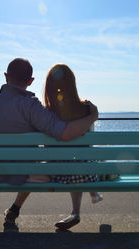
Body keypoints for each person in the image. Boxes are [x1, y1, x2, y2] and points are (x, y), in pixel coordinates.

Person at [0, 58, 98, 227]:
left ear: (5, 77)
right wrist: (92, 116)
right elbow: (64, 133)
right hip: (19, 174)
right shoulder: (31, 106)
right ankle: (15, 209)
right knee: (34, 164)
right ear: (31, 81)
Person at [43, 64, 103, 230]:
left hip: (55, 173)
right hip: (84, 173)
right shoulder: (87, 109)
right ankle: (78, 208)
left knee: (70, 161)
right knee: (80, 160)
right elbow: (88, 144)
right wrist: (93, 116)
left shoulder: (46, 112)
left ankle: (15, 209)